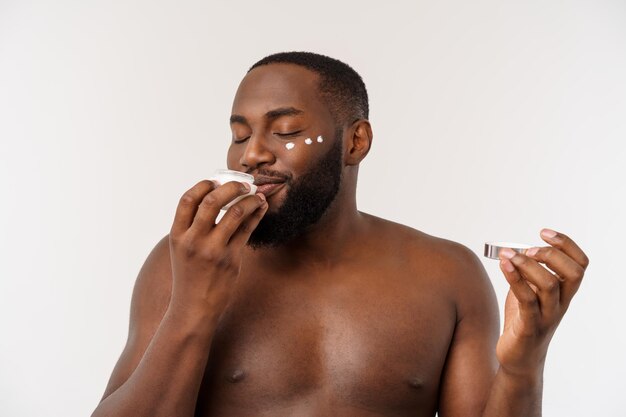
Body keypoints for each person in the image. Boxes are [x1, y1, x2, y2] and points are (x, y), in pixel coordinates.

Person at [91, 52, 589, 417]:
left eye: (284, 130)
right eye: (240, 135)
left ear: (355, 141)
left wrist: (525, 363)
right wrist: (192, 307)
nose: (251, 156)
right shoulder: (185, 261)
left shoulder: (447, 274)